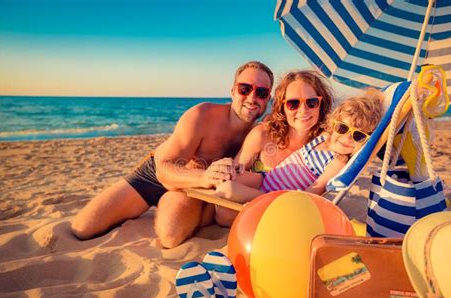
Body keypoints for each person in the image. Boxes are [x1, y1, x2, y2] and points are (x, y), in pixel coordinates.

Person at [70, 61, 274, 248]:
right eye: (245, 89)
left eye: (262, 93)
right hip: (157, 173)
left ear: (268, 99)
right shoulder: (202, 115)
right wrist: (204, 176)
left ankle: (171, 204)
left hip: (194, 189)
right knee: (83, 227)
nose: (252, 98)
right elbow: (164, 168)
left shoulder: (259, 135)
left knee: (171, 235)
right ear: (232, 91)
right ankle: (168, 203)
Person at [215, 89, 384, 207]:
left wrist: (292, 202)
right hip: (265, 178)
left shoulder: (338, 161)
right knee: (226, 176)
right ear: (332, 124)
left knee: (227, 188)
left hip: (278, 196)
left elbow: (317, 189)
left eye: (358, 136)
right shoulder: (324, 137)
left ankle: (251, 201)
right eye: (342, 128)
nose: (347, 138)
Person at [214, 70, 334, 224]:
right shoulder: (262, 135)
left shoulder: (326, 146)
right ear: (282, 107)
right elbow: (235, 174)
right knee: (225, 205)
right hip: (253, 208)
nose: (303, 110)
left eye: (311, 102)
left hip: (290, 216)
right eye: (293, 103)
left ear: (320, 104)